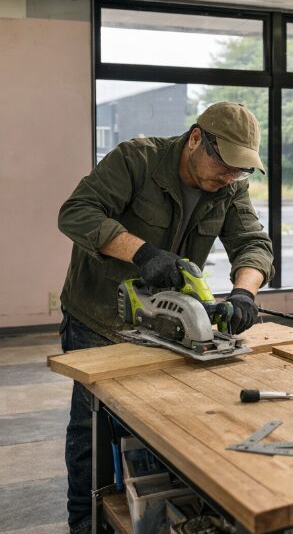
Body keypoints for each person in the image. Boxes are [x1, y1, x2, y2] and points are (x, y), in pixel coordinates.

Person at [57, 101, 274, 534]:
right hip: (98, 317)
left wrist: (244, 294)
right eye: (226, 165)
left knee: (157, 426)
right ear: (197, 139)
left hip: (162, 327)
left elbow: (252, 241)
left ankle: (147, 515)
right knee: (92, 430)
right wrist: (143, 253)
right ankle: (85, 524)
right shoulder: (136, 160)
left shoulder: (230, 185)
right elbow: (76, 213)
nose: (231, 177)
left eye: (241, 170)